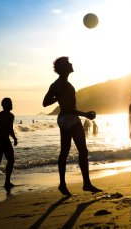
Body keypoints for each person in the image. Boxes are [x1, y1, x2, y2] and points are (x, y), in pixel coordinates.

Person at [43, 56, 101, 195]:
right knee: (83, 151)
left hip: (62, 119)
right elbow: (69, 109)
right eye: (68, 63)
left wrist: (57, 97)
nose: (71, 64)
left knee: (64, 152)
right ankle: (86, 184)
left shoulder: (56, 84)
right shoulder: (65, 86)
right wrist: (85, 114)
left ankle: (63, 185)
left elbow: (45, 102)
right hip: (70, 118)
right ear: (63, 68)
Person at [0, 98, 18, 191]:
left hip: (6, 141)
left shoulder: (11, 116)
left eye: (11, 103)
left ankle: (7, 182)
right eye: (9, 103)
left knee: (11, 160)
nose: (11, 104)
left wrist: (14, 138)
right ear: (4, 105)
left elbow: (10, 129)